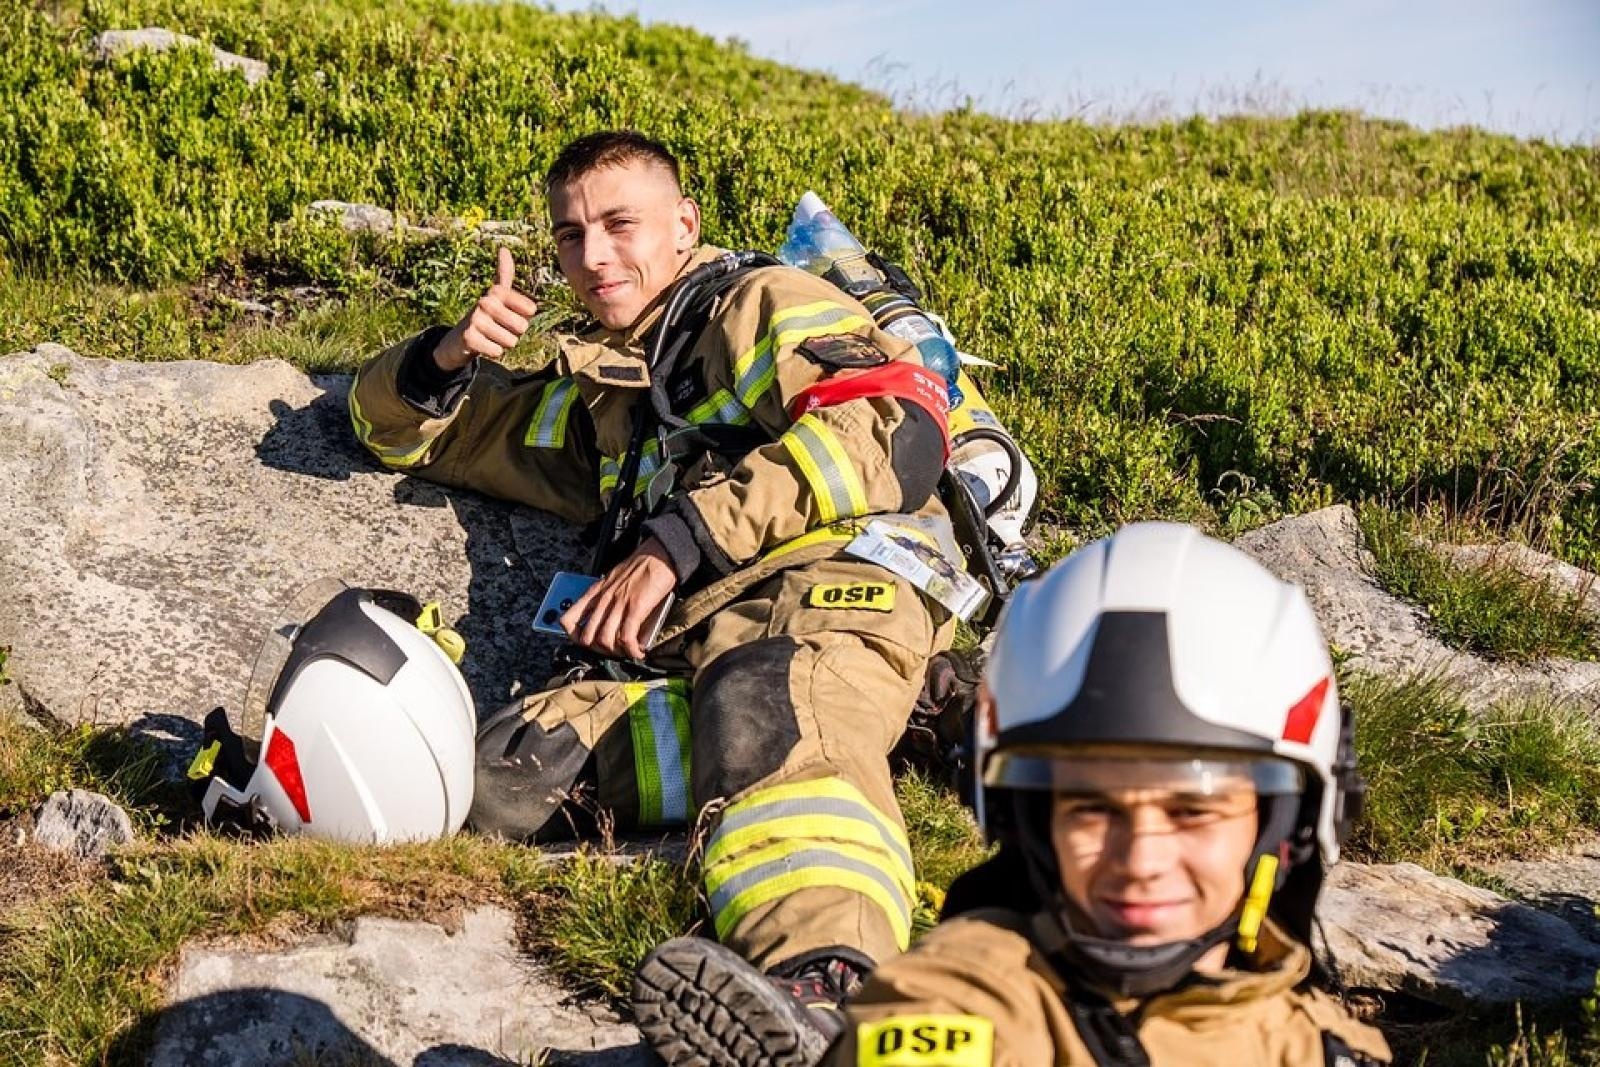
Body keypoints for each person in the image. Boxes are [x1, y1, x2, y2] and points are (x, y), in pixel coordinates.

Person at [348, 131, 960, 1035]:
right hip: (698, 651)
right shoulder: (610, 393)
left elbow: (896, 428)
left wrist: (679, 540)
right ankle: (904, 716)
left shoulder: (755, 305)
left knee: (766, 703)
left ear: (684, 226)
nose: (593, 257)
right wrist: (442, 358)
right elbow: (410, 433)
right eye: (569, 235)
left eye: (620, 224)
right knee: (506, 774)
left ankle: (831, 990)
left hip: (831, 589)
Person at [635, 521, 1392, 1066]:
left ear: (1285, 823)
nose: (1141, 859)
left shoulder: (1329, 1040)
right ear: (1030, 820)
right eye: (1092, 808)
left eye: (1192, 810)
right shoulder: (966, 1007)